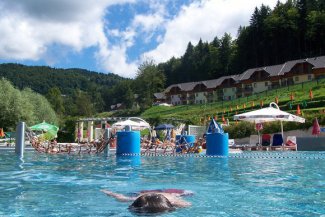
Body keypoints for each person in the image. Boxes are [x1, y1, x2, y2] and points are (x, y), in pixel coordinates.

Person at [101, 189, 192, 214]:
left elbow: (120, 197)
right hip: (144, 195)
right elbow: (188, 205)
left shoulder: (172, 200)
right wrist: (110, 193)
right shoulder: (172, 202)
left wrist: (110, 193)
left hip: (170, 195)